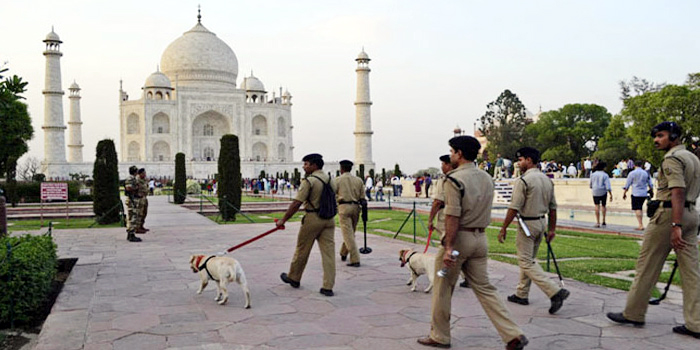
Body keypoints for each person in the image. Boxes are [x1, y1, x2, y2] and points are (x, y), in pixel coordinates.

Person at [418, 136, 528, 350]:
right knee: (485, 288)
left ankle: (439, 336)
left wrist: (449, 247)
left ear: (459, 154)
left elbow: (452, 215)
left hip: (458, 241)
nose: (450, 155)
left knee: (442, 286)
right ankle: (512, 333)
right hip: (480, 239)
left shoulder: (454, 179)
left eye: (451, 152)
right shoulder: (486, 178)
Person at [607, 121, 700, 339]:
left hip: (669, 215)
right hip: (691, 213)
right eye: (655, 136)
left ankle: (634, 313)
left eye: (661, 135)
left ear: (674, 136)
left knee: (647, 264)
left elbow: (677, 191)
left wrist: (675, 225)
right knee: (692, 272)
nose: (656, 140)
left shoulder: (672, 159)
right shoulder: (693, 158)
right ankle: (696, 323)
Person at [498, 147, 570, 314]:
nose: (519, 163)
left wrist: (503, 228)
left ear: (529, 160)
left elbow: (514, 207)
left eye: (521, 160)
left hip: (527, 224)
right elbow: (553, 208)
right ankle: (521, 293)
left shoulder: (523, 181)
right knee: (529, 259)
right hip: (541, 223)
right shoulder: (546, 180)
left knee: (525, 261)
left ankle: (554, 291)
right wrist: (552, 229)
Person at [277, 153, 336, 297]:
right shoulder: (330, 180)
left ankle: (294, 277)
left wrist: (283, 220)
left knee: (302, 249)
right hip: (329, 219)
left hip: (312, 218)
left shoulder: (309, 181)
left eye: (306, 164)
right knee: (329, 254)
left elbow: (297, 203)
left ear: (314, 165)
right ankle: (328, 286)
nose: (304, 166)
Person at [427, 154, 469, 289]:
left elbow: (437, 202)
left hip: (446, 215)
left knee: (448, 246)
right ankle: (466, 276)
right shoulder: (466, 177)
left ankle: (444, 275)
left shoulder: (447, 180)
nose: (441, 167)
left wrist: (430, 219)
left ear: (449, 165)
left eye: (443, 164)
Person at [333, 160, 365, 267]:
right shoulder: (358, 180)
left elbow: (332, 195)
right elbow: (363, 198)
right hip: (356, 207)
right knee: (350, 233)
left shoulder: (338, 180)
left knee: (348, 234)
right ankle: (343, 252)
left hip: (344, 207)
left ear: (341, 169)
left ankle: (355, 259)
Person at [622, 160, 653, 230]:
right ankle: (641, 224)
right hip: (644, 193)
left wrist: (624, 193)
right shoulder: (646, 173)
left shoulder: (632, 173)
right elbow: (650, 183)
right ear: (642, 165)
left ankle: (640, 224)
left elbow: (627, 184)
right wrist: (652, 191)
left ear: (634, 165)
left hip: (636, 193)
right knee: (640, 207)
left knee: (637, 208)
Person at [589, 162, 613, 228]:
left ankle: (597, 222)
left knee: (596, 205)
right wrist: (610, 194)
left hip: (595, 191)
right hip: (603, 191)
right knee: (603, 205)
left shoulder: (593, 175)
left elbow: (590, 185)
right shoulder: (605, 175)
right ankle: (603, 220)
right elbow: (608, 186)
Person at [124, 166, 142, 242]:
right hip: (131, 200)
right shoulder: (130, 178)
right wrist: (136, 188)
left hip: (133, 199)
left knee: (133, 216)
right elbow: (128, 188)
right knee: (133, 217)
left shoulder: (133, 178)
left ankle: (130, 233)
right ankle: (131, 234)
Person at [136, 168, 150, 233]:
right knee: (139, 213)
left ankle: (141, 225)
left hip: (144, 197)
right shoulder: (137, 180)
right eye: (143, 173)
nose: (145, 174)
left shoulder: (144, 180)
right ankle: (137, 227)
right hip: (139, 198)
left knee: (144, 212)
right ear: (140, 174)